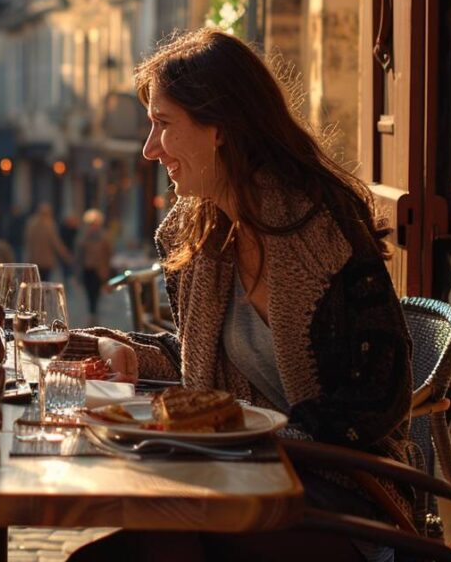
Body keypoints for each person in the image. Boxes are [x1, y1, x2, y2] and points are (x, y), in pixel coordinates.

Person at [68, 29, 413, 562]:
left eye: (163, 124)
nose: (149, 148)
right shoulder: (197, 235)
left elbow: (380, 395)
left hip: (343, 501)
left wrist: (261, 440)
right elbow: (198, 368)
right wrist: (126, 355)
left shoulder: (321, 229)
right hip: (238, 483)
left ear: (220, 129)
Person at [75, 209, 113, 317]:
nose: (93, 226)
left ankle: (94, 309)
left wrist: (106, 266)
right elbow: (79, 251)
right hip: (87, 268)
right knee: (88, 289)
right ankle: (91, 308)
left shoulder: (104, 236)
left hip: (99, 268)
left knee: (96, 289)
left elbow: (108, 252)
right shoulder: (84, 236)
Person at [22, 203, 71, 281]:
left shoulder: (31, 223)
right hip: (46, 260)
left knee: (36, 280)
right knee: (44, 280)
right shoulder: (49, 225)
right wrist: (66, 255)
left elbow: (27, 241)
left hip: (34, 259)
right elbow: (56, 243)